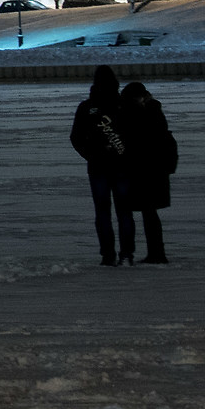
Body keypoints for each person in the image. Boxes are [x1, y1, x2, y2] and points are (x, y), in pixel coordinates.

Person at [69, 65, 129, 266]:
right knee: (124, 212)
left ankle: (108, 254)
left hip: (98, 167)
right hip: (122, 166)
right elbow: (135, 135)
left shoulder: (87, 107)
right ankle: (126, 253)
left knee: (103, 212)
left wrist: (90, 155)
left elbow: (76, 137)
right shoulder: (123, 105)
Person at [115, 80, 178, 264]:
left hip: (142, 168)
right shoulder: (154, 111)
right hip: (155, 169)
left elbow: (131, 138)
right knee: (150, 212)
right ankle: (156, 252)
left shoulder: (133, 113)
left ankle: (154, 253)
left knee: (145, 211)